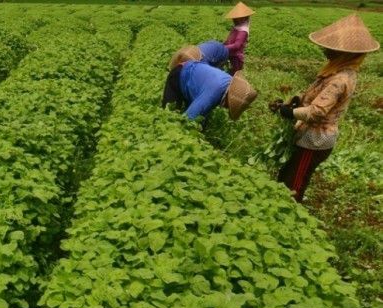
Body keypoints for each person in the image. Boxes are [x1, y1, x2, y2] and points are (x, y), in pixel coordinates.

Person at [273, 14, 379, 202]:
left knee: (294, 183)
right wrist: (297, 100)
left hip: (315, 140)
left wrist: (287, 112)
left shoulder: (340, 79)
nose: (325, 51)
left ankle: (290, 211)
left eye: (331, 49)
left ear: (344, 53)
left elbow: (317, 112)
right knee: (288, 173)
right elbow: (318, 96)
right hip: (308, 135)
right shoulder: (337, 69)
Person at [162, 60, 257, 121]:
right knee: (169, 114)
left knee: (201, 119)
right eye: (230, 106)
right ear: (229, 99)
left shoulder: (228, 81)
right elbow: (188, 119)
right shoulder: (213, 94)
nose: (226, 108)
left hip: (194, 75)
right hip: (179, 74)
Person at [224, 2, 254, 74]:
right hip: (230, 55)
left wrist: (224, 47)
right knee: (230, 73)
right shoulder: (237, 28)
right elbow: (229, 40)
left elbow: (237, 45)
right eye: (234, 18)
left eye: (236, 18)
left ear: (243, 18)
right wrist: (222, 44)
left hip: (236, 58)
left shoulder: (243, 31)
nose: (234, 19)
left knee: (235, 75)